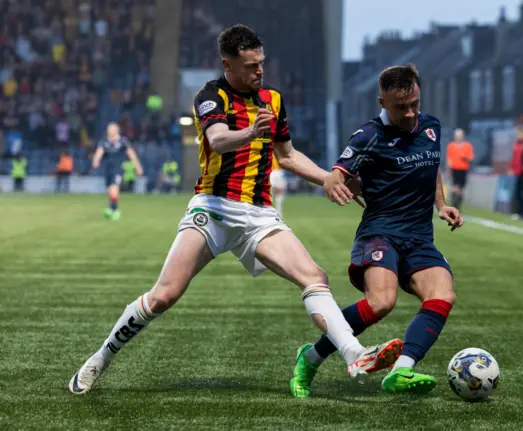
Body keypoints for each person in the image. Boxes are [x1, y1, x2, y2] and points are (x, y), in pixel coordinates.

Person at [69, 24, 400, 395]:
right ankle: (101, 357)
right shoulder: (211, 96)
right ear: (228, 65)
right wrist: (250, 134)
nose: (260, 72)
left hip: (259, 215)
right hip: (213, 209)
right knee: (164, 295)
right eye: (251, 66)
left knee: (315, 276)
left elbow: (287, 156)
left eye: (261, 64)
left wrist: (327, 178)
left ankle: (355, 354)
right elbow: (218, 139)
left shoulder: (273, 99)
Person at [290, 65, 463, 398]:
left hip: (419, 236)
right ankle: (310, 358)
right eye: (401, 107)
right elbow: (337, 173)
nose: (411, 112)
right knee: (382, 302)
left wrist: (441, 206)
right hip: (380, 231)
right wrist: (334, 184)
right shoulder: (368, 136)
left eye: (414, 103)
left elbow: (432, 165)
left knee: (443, 295)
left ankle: (402, 371)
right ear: (382, 101)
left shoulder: (431, 126)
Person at [91, 123, 144, 220]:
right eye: (108, 129)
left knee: (114, 186)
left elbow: (131, 154)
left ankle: (115, 210)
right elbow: (99, 152)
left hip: (118, 168)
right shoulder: (104, 141)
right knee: (109, 189)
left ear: (116, 130)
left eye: (111, 129)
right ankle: (112, 208)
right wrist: (96, 160)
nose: (109, 131)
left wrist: (138, 167)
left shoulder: (123, 141)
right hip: (107, 169)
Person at [446, 128, 474, 209]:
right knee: (454, 187)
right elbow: (449, 159)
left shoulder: (467, 146)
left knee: (461, 188)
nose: (458, 137)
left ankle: (458, 205)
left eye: (460, 135)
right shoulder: (451, 146)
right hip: (454, 168)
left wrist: (465, 158)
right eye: (457, 135)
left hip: (463, 169)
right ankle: (454, 204)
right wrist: (448, 170)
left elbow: (471, 158)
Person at [509, 126, 523, 220]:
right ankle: (518, 212)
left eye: (520, 134)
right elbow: (514, 157)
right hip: (517, 172)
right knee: (517, 193)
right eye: (518, 134)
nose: (519, 136)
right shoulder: (515, 144)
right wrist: (511, 168)